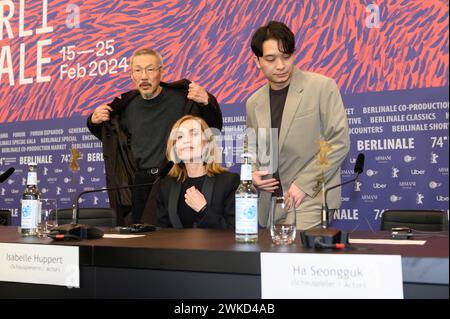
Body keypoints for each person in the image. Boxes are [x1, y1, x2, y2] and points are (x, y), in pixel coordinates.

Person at [87, 48, 222, 226]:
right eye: (138, 70)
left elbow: (212, 128)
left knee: (170, 234)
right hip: (138, 184)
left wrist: (207, 101)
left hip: (172, 179)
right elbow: (113, 142)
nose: (144, 76)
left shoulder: (181, 99)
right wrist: (93, 121)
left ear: (161, 71)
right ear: (131, 75)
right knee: (137, 235)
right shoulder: (125, 107)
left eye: (150, 69)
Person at [246, 21, 350, 230]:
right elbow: (252, 146)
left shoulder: (321, 87)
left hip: (309, 198)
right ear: (257, 61)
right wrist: (253, 171)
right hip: (270, 203)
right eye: (270, 59)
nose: (280, 65)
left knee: (301, 261)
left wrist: (304, 184)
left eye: (286, 56)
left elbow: (338, 142)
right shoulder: (253, 102)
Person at [157, 115, 239, 229]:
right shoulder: (166, 185)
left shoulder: (229, 182)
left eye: (194, 134)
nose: (186, 140)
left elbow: (234, 231)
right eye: (180, 136)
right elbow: (162, 232)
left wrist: (203, 209)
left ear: (207, 145)